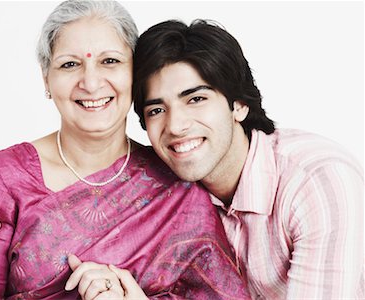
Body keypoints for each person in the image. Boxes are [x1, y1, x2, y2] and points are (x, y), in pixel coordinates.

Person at [0, 1, 250, 299]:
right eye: (70, 64)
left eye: (110, 61)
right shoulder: (6, 177)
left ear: (134, 75)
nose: (90, 82)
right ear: (46, 79)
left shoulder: (178, 187)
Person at [131, 20, 364, 299]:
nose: (176, 125)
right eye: (157, 109)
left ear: (239, 105)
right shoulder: (169, 196)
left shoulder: (317, 180)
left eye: (196, 99)